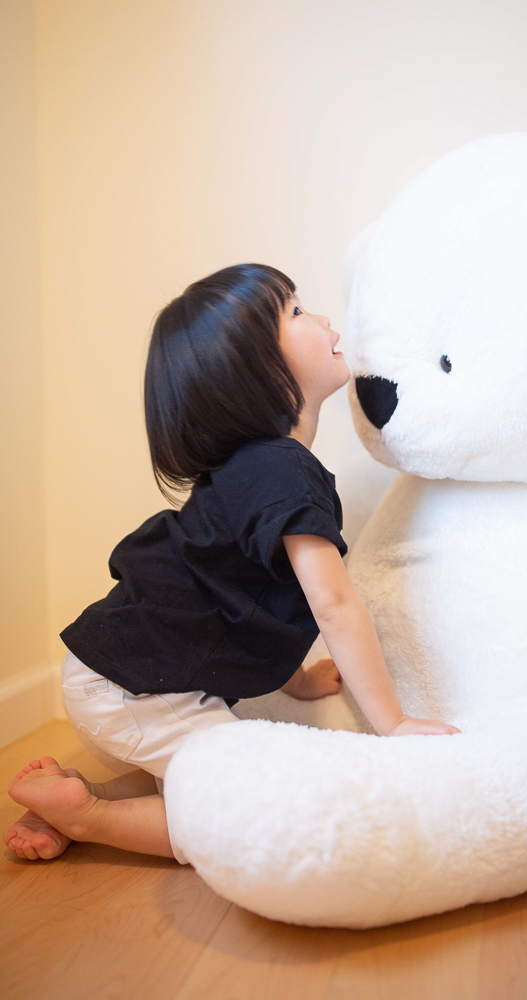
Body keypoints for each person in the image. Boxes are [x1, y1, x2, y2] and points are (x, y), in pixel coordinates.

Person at [6, 263, 460, 863]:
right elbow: (332, 603)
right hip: (134, 690)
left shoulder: (257, 471)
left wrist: (296, 680)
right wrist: (393, 722)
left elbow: (241, 599)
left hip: (119, 679)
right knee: (250, 807)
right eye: (296, 311)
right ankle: (93, 819)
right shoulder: (284, 473)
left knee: (198, 777)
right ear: (257, 371)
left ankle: (69, 799)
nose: (324, 319)